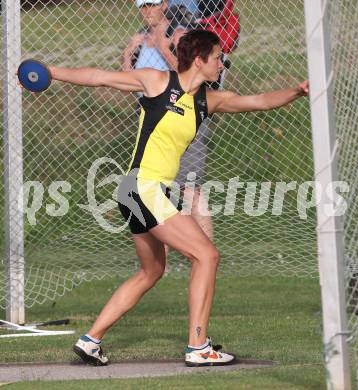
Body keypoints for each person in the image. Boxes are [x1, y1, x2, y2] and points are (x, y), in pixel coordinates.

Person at [46, 29, 308, 367]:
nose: (221, 62)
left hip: (139, 191)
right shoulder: (157, 81)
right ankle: (198, 346)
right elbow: (99, 77)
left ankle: (90, 340)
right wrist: (51, 72)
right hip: (142, 188)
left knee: (151, 271)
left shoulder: (209, 100)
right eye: (216, 57)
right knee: (207, 256)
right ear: (199, 59)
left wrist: (297, 92)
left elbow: (258, 101)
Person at [123, 0, 214, 265]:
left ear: (164, 4)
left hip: (184, 117)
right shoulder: (140, 36)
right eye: (142, 6)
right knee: (155, 190)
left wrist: (163, 48)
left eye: (152, 4)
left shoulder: (179, 34)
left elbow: (191, 76)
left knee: (190, 188)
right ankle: (159, 262)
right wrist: (128, 56)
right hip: (155, 122)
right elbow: (129, 82)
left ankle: (206, 254)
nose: (147, 11)